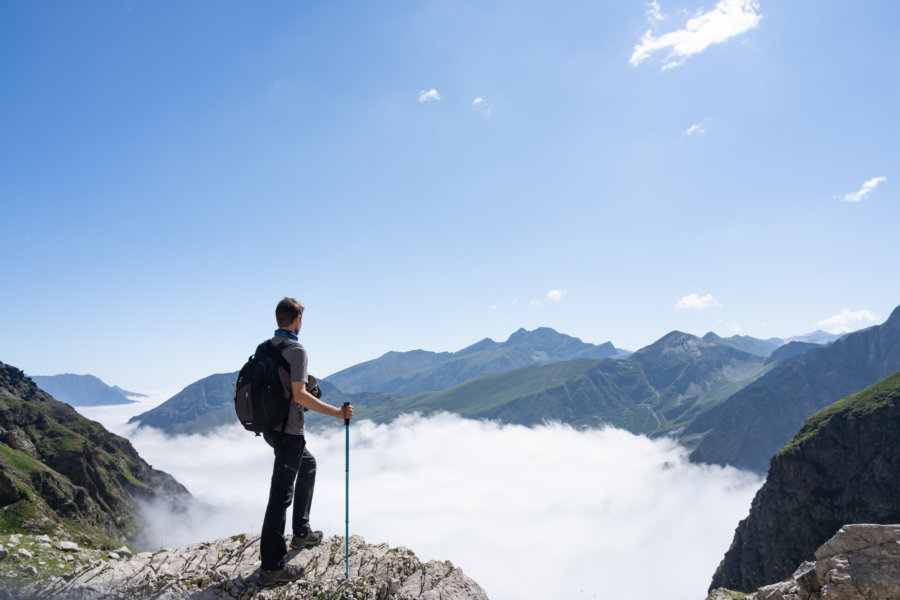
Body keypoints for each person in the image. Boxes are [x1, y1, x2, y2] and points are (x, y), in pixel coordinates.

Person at [258, 297, 353, 587]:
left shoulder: (265, 348)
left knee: (308, 465)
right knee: (280, 496)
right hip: (289, 432)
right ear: (297, 320)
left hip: (271, 428)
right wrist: (338, 413)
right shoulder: (296, 350)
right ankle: (271, 567)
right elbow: (299, 395)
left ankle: (301, 531)